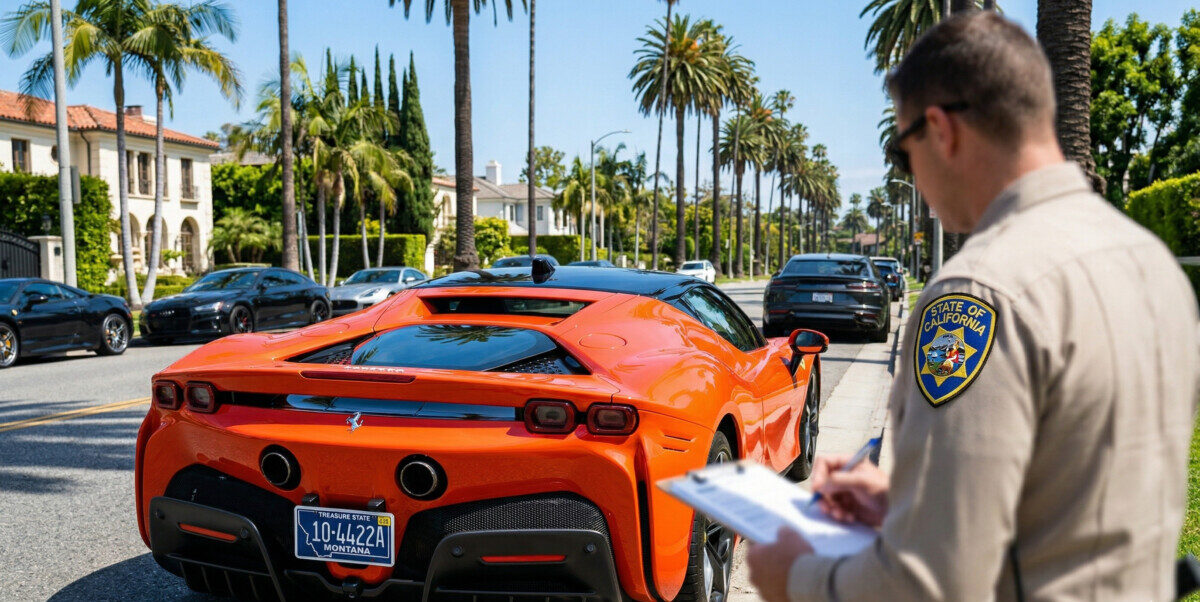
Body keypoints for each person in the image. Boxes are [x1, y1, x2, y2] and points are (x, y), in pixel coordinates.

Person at [747, 10, 1200, 602]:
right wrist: (908, 506)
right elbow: (1077, 495)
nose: (914, 176)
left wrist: (795, 576)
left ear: (941, 131)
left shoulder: (976, 293)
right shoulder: (1154, 264)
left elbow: (930, 583)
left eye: (903, 152)